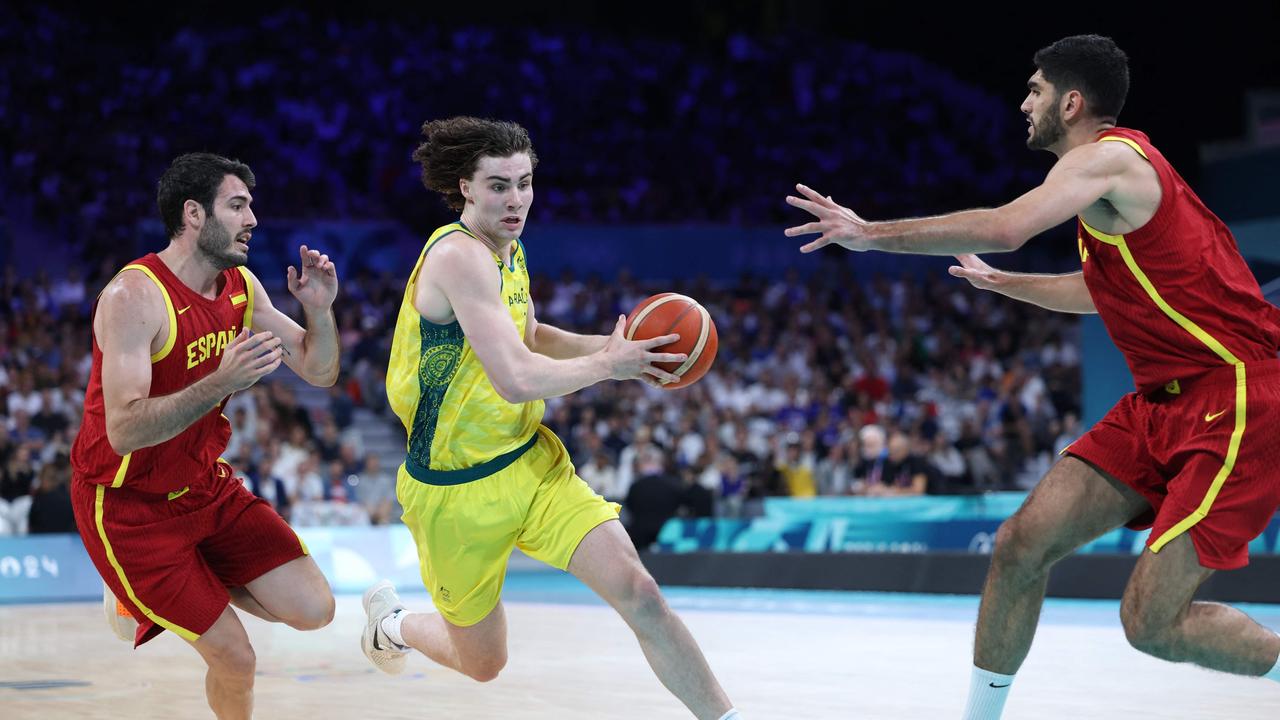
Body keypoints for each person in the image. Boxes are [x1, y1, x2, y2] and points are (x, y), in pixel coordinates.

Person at [785, 34, 1280, 720]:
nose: (1024, 103)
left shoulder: (1108, 161)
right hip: (1159, 405)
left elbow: (1007, 224)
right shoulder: (1103, 194)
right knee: (1020, 543)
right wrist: (1002, 285)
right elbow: (1099, 291)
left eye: (1035, 90)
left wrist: (869, 233)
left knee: (1150, 623)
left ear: (1071, 102)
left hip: (1236, 396)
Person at [361, 117, 740, 720]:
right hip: (454, 490)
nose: (515, 201)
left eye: (524, 183)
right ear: (465, 187)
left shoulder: (511, 250)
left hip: (530, 465)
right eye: (498, 186)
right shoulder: (459, 257)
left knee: (641, 594)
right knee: (484, 663)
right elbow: (516, 377)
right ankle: (396, 624)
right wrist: (609, 368)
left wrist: (620, 354)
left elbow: (532, 335)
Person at [70, 153, 341, 719]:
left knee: (316, 609)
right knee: (236, 658)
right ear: (194, 214)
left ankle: (147, 597)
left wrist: (319, 312)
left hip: (204, 489)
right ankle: (137, 590)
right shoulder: (134, 297)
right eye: (237, 205)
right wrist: (221, 381)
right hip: (127, 506)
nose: (253, 220)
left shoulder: (241, 288)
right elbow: (122, 431)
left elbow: (320, 370)